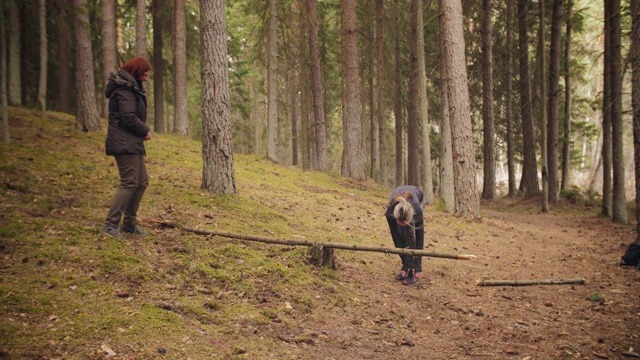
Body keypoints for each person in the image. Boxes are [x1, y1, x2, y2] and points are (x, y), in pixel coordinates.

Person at [102, 57, 152, 241]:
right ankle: (110, 225)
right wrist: (145, 130)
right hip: (123, 142)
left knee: (141, 182)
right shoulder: (124, 89)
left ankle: (129, 223)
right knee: (130, 182)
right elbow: (128, 117)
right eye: (144, 75)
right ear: (136, 72)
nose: (146, 78)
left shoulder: (132, 87)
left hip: (132, 142)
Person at [385, 185, 425, 285]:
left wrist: (417, 265)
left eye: (406, 222)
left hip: (417, 198)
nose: (405, 224)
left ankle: (413, 269)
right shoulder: (390, 212)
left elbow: (420, 238)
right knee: (400, 234)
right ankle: (407, 266)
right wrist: (405, 263)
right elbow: (395, 238)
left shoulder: (417, 209)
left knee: (410, 235)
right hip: (398, 206)